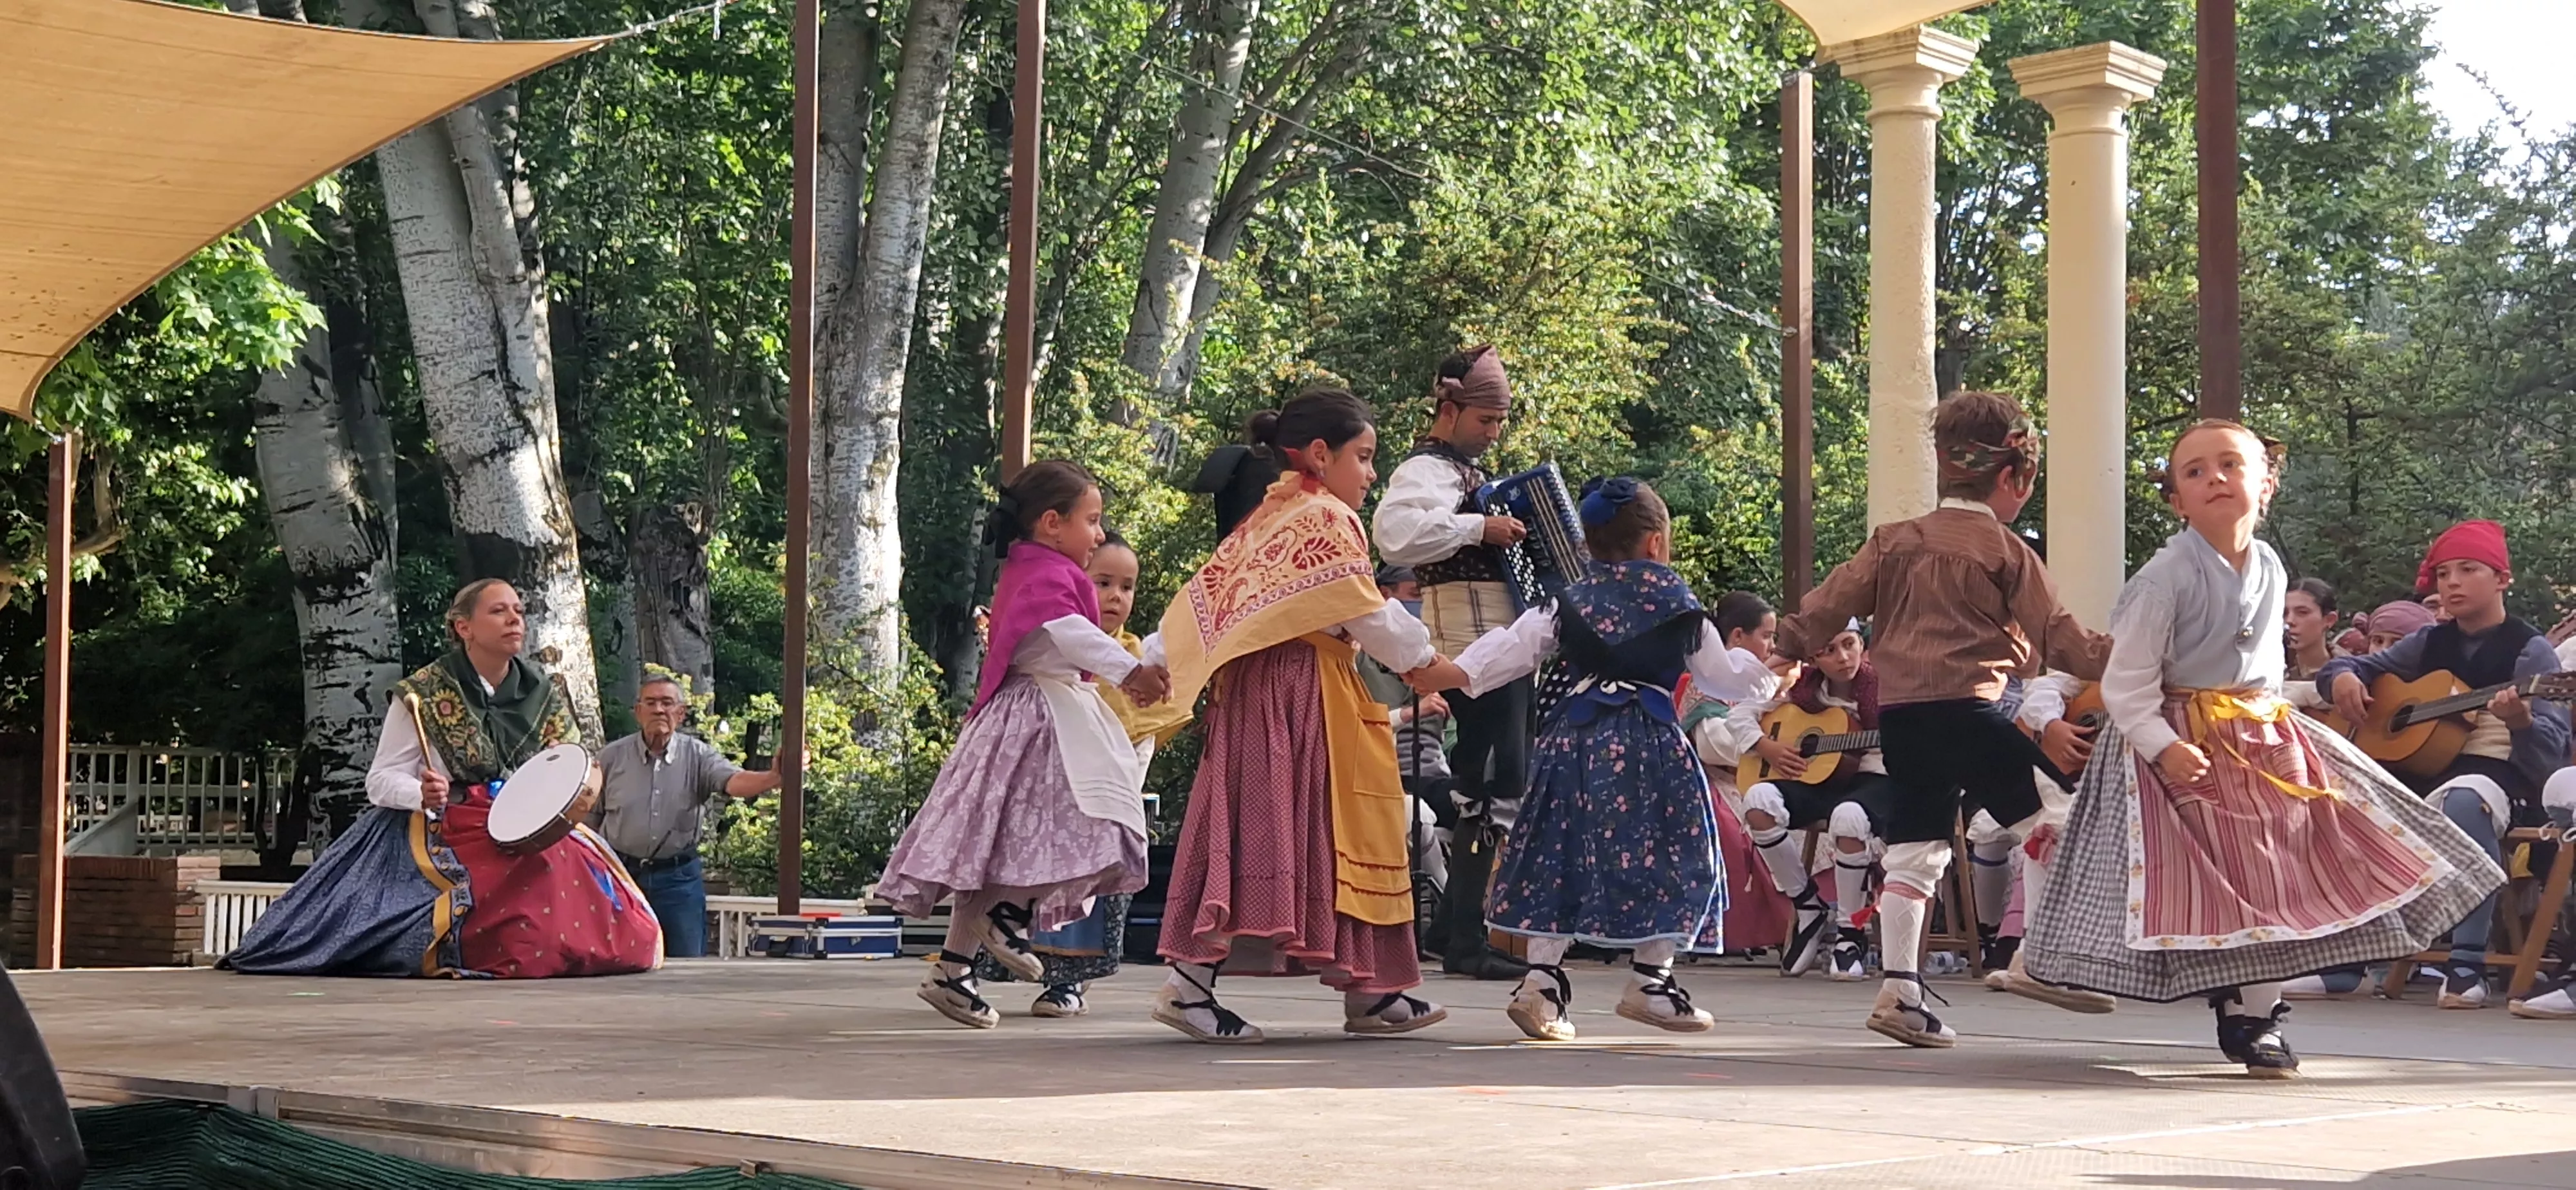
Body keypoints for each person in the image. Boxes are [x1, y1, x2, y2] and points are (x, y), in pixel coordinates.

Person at [2025, 421, 2505, 1077]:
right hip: (2180, 746)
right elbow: (2126, 684)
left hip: (2258, 740)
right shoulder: (2163, 579)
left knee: (2282, 867)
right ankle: (2232, 1000)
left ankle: (2258, 1014)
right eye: (2194, 472)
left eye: (2230, 464)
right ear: (2177, 500)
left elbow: (2260, 672)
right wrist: (2164, 747)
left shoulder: (2272, 567)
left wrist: (2302, 701)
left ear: (2267, 485)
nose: (2214, 478)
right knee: (2207, 882)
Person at [1774, 390, 2114, 1048]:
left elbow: (1825, 607)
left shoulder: (1893, 541)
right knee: (2053, 819)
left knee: (1916, 847)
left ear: (1942, 465)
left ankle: (1900, 990)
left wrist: (1783, 644)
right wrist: (2138, 656)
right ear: (2017, 476)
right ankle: (2036, 959)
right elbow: (2062, 640)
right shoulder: (2005, 550)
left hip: (1903, 720)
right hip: (1969, 710)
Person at [1409, 480, 1776, 1041]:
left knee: (1559, 851)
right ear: (1657, 543)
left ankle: (1541, 983)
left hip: (1574, 743)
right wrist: (1772, 672)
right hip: (1650, 744)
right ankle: (1652, 979)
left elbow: (1514, 648)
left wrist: (1454, 671)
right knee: (1679, 852)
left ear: (1588, 546)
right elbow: (1721, 678)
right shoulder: (1680, 605)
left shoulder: (1569, 600)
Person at [1151, 388, 1445, 1043]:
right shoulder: (1322, 517)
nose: (1370, 473)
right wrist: (1432, 662)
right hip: (1292, 692)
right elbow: (1367, 615)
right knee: (1279, 826)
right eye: (1364, 458)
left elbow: (1208, 603)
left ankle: (1369, 990)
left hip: (1282, 690)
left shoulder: (1272, 513)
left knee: (1297, 828)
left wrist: (1155, 663)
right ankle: (1191, 986)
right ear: (1321, 454)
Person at [225, 580, 663, 978]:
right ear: (463, 627)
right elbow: (380, 781)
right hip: (446, 819)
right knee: (525, 916)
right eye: (498, 611)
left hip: (531, 821)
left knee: (625, 928)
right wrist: (420, 792)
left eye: (518, 610)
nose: (515, 619)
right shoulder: (425, 692)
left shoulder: (544, 693)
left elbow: (568, 770)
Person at [876, 460, 1170, 1030]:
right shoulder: (1044, 577)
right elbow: (1074, 636)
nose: (1101, 534)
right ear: (1053, 523)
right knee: (1091, 819)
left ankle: (955, 969)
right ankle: (1011, 913)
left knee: (994, 848)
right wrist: (1131, 671)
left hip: (1032, 715)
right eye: (1093, 520)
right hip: (1038, 720)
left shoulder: (1033, 568)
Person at [2317, 520, 2571, 1010]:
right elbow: (2357, 669)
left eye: (2468, 570)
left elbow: (2548, 759)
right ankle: (2345, 966)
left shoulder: (2530, 650)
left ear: (2502, 579)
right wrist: (2343, 675)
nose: (2451, 583)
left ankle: (2465, 966)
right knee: (2347, 798)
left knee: (2464, 798)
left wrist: (2519, 722)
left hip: (2505, 784)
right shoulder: (2430, 642)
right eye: (2444, 574)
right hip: (2429, 774)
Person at [971, 531, 1188, 1017]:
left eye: (1127, 587)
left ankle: (1069, 985)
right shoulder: (1060, 654)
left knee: (1090, 892)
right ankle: (987, 963)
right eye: (1103, 582)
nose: (1116, 596)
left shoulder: (1136, 658)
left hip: (1099, 801)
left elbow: (1140, 742)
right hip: (1050, 797)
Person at [1371, 345, 1535, 982]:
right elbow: (1398, 536)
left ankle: (1452, 926)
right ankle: (1465, 937)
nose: (1492, 433)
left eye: (1498, 422)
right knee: (1487, 783)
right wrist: (1478, 530)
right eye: (1483, 420)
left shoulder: (1459, 473)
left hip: (1497, 640)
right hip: (1472, 641)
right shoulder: (1427, 470)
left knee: (1496, 780)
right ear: (1448, 408)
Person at [1731, 620, 1899, 981]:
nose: (1844, 657)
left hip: (1873, 778)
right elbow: (1739, 714)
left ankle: (1850, 934)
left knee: (1849, 818)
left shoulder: (1886, 687)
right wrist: (1768, 747)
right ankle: (1807, 904)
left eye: (1850, 644)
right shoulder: (1801, 689)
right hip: (1818, 782)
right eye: (1830, 651)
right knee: (1758, 800)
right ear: (1812, 659)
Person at [591, 667, 786, 958]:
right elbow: (589, 819)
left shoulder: (698, 756)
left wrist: (773, 777)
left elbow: (734, 782)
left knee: (685, 966)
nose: (659, 710)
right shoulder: (611, 757)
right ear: (638, 711)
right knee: (616, 961)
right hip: (620, 876)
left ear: (681, 714)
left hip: (677, 879)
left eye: (667, 703)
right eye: (651, 703)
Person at [2284, 578, 2347, 693]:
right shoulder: (2272, 669)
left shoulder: (2345, 673)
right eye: (2284, 613)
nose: (2289, 621)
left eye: (2302, 613)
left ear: (2329, 620)